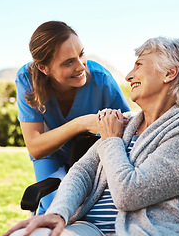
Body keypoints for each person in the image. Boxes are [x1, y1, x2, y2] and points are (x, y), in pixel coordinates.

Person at [4, 36, 179, 236]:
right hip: (91, 228)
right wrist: (57, 213)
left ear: (169, 73)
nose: (128, 76)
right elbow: (83, 171)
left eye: (139, 65)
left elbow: (130, 195)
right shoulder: (126, 123)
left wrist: (112, 140)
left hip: (151, 229)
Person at [16, 21, 130, 214]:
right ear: (43, 68)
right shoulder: (27, 80)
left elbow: (129, 129)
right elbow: (35, 147)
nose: (81, 67)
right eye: (69, 62)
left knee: (90, 212)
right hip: (51, 155)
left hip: (93, 155)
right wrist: (81, 123)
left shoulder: (101, 79)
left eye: (81, 54)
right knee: (54, 210)